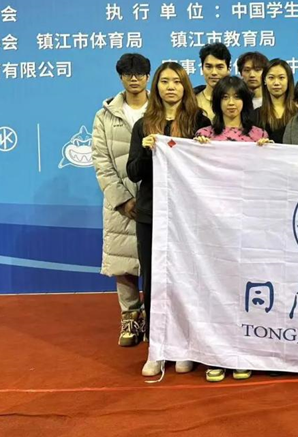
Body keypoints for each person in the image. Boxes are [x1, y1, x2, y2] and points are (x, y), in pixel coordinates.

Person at [127, 61, 207, 377]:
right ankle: (157, 347)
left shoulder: (200, 121)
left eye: (176, 81)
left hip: (188, 215)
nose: (170, 87)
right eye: (164, 81)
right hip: (152, 214)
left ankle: (185, 345)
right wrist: (147, 149)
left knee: (188, 278)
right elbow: (133, 172)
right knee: (155, 279)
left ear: (185, 86)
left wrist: (203, 148)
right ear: (156, 87)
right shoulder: (144, 124)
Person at [194, 76, 270, 382]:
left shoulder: (258, 136)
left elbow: (268, 178)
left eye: (236, 97)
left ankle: (242, 352)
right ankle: (216, 355)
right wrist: (195, 151)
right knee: (215, 290)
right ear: (217, 102)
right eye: (224, 97)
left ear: (245, 102)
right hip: (213, 227)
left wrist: (269, 154)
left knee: (244, 290)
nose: (231, 103)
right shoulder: (204, 136)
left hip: (248, 225)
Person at [91, 53, 150, 348]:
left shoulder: (161, 110)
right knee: (123, 264)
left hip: (156, 199)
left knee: (155, 262)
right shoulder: (105, 116)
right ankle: (130, 316)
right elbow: (101, 162)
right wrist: (123, 200)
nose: (134, 78)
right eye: (128, 74)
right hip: (121, 203)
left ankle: (154, 317)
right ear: (121, 77)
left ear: (148, 77)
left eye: (139, 73)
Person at [257, 58, 297, 143]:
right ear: (264, 80)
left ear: (288, 80)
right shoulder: (255, 115)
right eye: (271, 78)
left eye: (281, 78)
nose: (276, 83)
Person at [195, 42, 232, 121]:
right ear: (202, 69)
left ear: (228, 69)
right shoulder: (192, 101)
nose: (214, 72)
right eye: (209, 67)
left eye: (219, 67)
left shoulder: (238, 100)